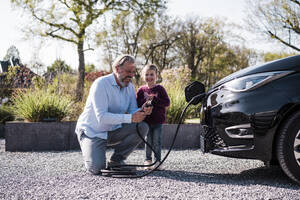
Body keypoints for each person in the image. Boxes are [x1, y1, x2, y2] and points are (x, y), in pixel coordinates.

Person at [75, 55, 153, 175]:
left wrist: (141, 111)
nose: (131, 75)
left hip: (113, 130)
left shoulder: (130, 87)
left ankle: (117, 160)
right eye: (128, 71)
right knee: (97, 169)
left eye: (133, 72)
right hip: (92, 132)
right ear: (117, 69)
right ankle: (90, 147)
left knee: (142, 127)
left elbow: (132, 109)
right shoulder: (100, 84)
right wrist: (131, 118)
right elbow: (101, 117)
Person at [136, 64, 170, 170]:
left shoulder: (160, 89)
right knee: (148, 141)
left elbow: (167, 102)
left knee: (157, 141)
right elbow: (137, 104)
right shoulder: (141, 90)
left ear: (156, 76)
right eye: (146, 74)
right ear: (143, 76)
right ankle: (148, 160)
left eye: (151, 74)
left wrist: (154, 100)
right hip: (146, 121)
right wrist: (145, 102)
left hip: (157, 121)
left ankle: (158, 161)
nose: (149, 77)